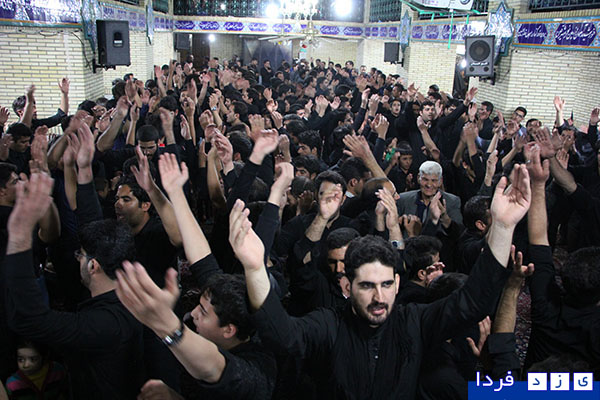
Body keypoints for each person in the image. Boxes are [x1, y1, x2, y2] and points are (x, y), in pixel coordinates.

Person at [229, 161, 532, 398]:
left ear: (398, 285)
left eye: (386, 285)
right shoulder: (329, 325)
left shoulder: (414, 322)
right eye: (366, 286)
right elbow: (283, 337)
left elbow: (473, 302)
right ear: (346, 286)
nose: (379, 297)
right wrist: (255, 269)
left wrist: (503, 227)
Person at [4, 168, 144, 399]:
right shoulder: (132, 297)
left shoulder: (102, 324)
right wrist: (84, 170)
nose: (78, 259)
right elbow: (92, 227)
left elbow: (28, 319)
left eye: (81, 255)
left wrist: (19, 236)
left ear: (93, 266)